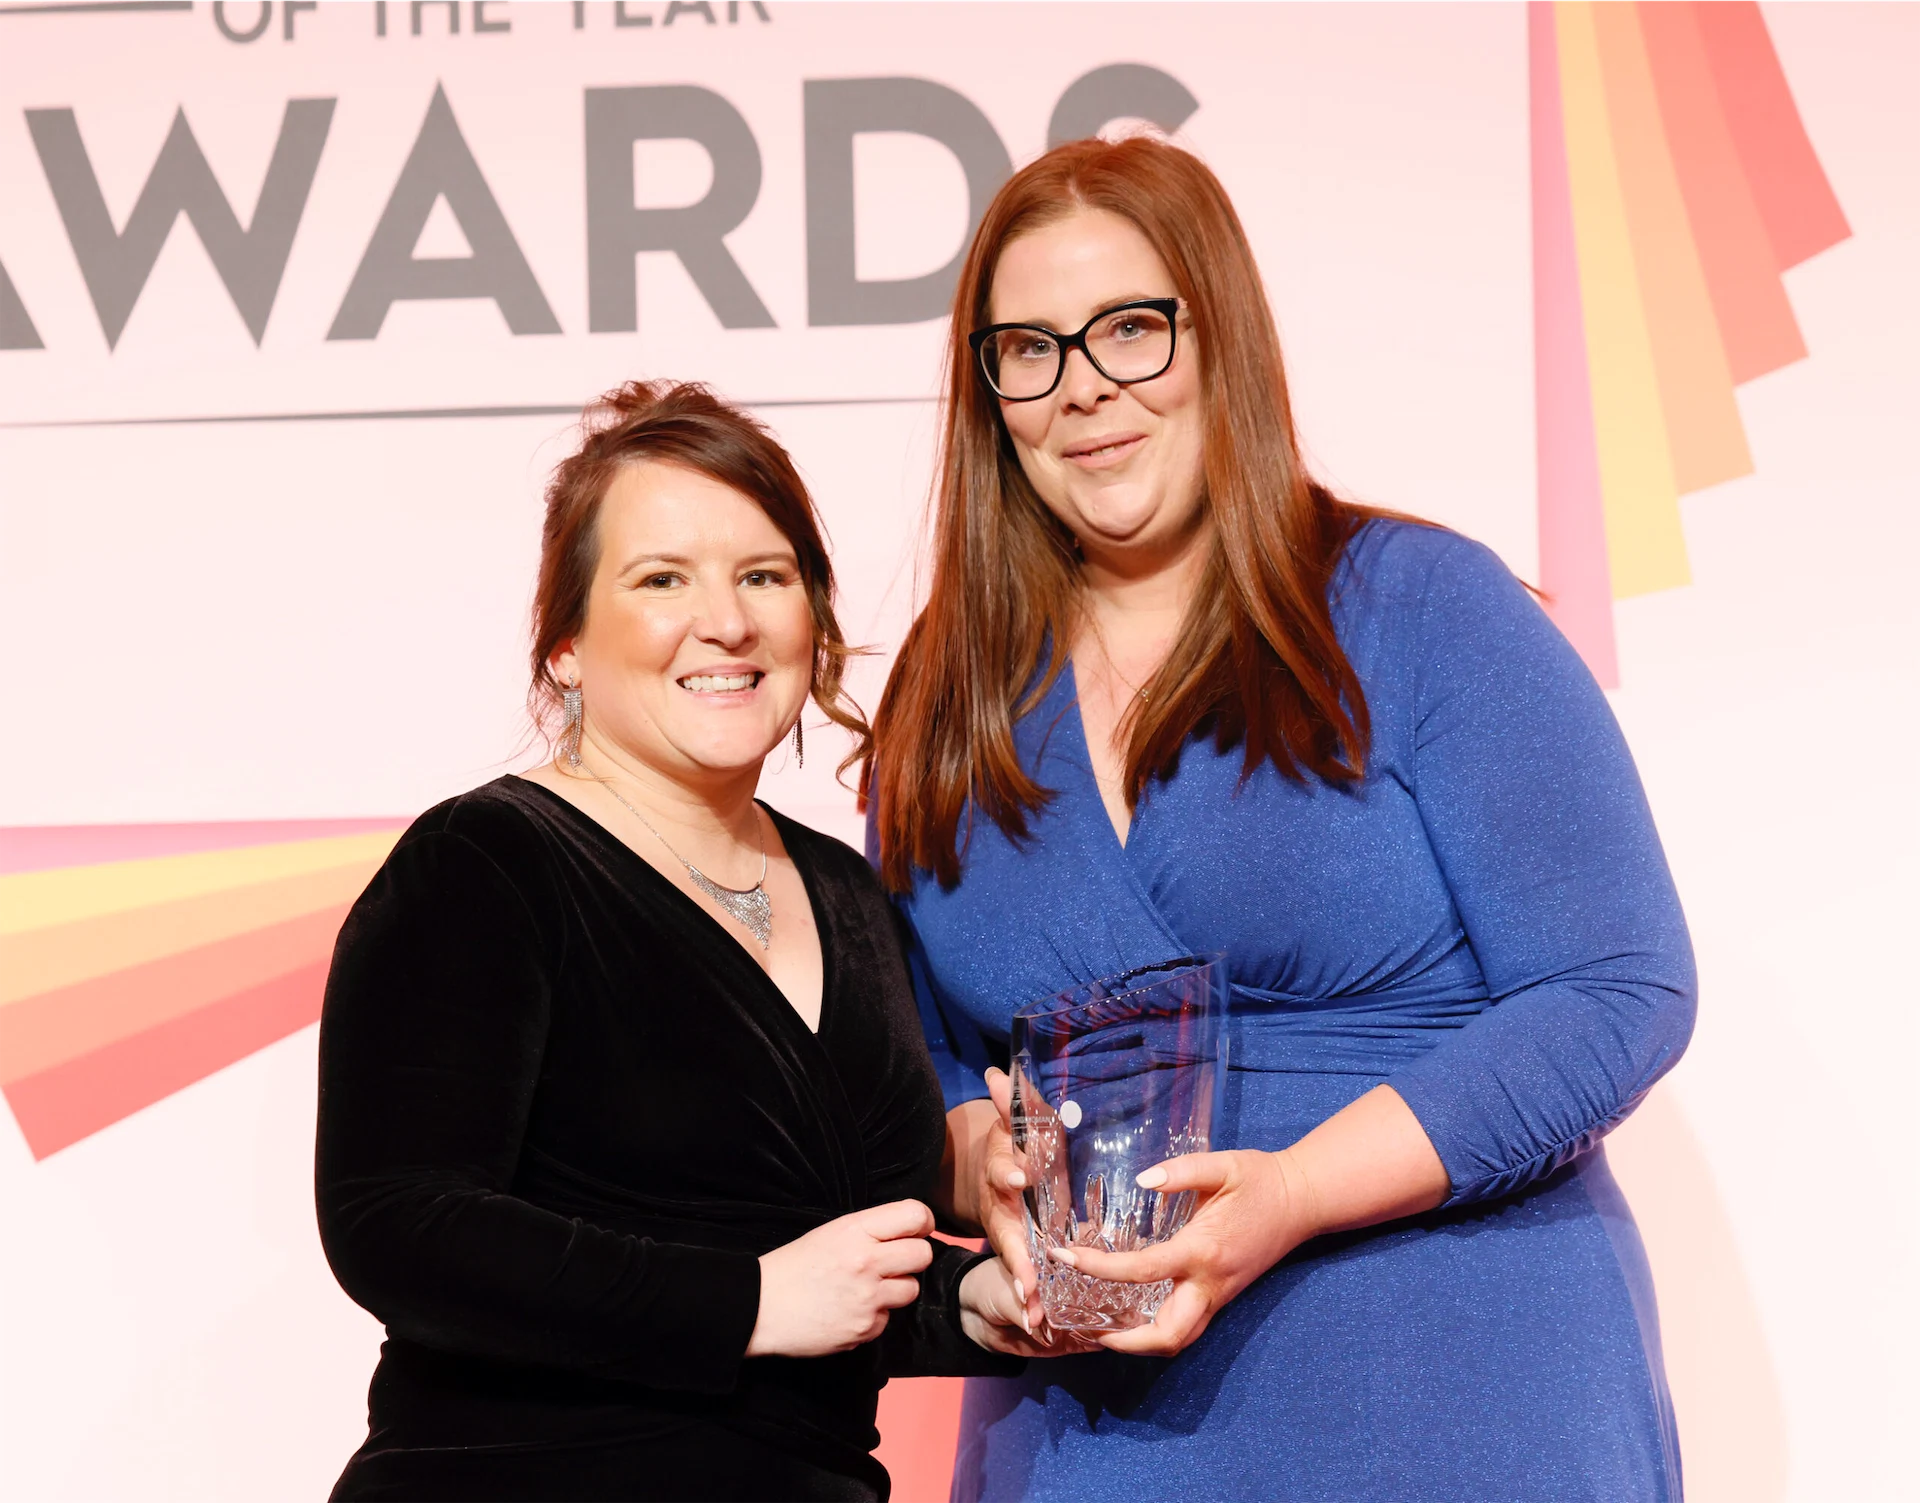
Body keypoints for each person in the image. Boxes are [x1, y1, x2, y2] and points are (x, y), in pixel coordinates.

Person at [863, 137, 1696, 1501]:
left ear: (1220, 335)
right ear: (989, 392)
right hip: (1092, 1420)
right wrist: (979, 1159)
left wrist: (1297, 1189)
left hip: (1452, 1383)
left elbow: (1616, 987)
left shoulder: (1418, 605)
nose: (1085, 392)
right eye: (1030, 350)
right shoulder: (949, 688)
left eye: (1132, 330)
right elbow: (930, 1055)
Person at [315, 381, 1043, 1503]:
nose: (730, 621)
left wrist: (970, 1308)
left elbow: (816, 1262)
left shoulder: (846, 890)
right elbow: (398, 1226)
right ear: (564, 646)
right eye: (663, 580)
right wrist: (745, 1305)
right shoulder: (485, 863)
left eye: (765, 575)